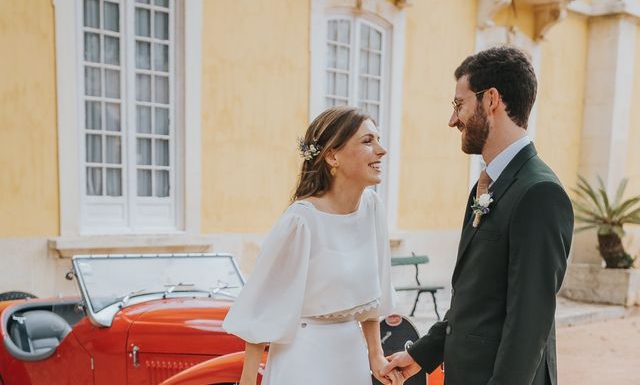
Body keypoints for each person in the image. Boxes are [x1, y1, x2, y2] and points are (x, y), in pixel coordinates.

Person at [382, 46, 574, 385]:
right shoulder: (486, 186)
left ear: (491, 100)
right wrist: (421, 355)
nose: (453, 119)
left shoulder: (539, 193)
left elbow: (529, 324)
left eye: (459, 105)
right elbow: (474, 299)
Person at [223, 106, 402, 385]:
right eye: (368, 141)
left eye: (377, 139)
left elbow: (373, 298)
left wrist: (376, 356)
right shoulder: (301, 221)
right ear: (333, 156)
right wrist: (247, 382)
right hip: (303, 359)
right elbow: (261, 306)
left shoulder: (373, 209)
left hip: (351, 356)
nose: (381, 150)